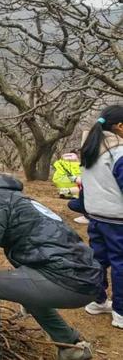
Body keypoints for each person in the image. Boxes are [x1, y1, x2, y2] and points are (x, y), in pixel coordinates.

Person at [0, 173, 102, 360]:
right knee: (22, 281)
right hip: (83, 275)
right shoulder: (14, 198)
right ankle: (71, 347)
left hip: (69, 278)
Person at [78, 105, 123, 329]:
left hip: (97, 215)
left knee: (99, 260)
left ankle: (98, 301)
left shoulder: (92, 149)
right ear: (120, 127)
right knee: (120, 263)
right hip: (118, 218)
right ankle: (121, 312)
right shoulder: (119, 151)